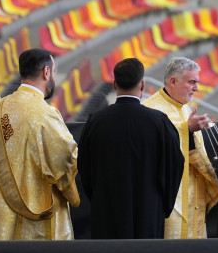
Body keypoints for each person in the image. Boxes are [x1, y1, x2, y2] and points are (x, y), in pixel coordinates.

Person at [78, 58, 184, 239]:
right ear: (142, 85)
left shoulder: (95, 121)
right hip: (148, 212)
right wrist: (162, 206)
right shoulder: (159, 122)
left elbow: (84, 168)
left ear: (114, 84)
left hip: (107, 212)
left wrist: (98, 198)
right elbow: (174, 166)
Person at [0, 49, 80, 240]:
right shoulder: (45, 114)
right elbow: (65, 158)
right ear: (46, 72)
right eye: (54, 71)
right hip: (36, 214)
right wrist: (72, 193)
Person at [143, 57, 218, 239]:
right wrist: (186, 130)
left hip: (194, 196)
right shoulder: (149, 110)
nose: (196, 88)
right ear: (173, 81)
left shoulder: (186, 109)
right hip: (169, 198)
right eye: (192, 82)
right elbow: (151, 152)